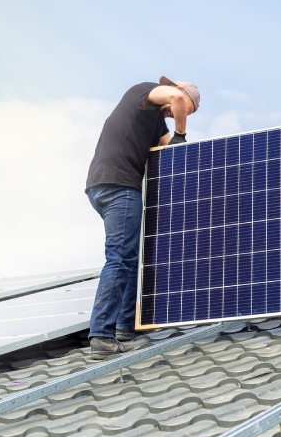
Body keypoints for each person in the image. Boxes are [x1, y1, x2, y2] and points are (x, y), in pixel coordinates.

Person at [85, 76, 200, 359]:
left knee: (131, 257)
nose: (176, 116)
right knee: (120, 257)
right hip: (120, 187)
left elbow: (167, 151)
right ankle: (101, 334)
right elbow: (177, 102)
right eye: (180, 112)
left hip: (103, 187)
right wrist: (181, 134)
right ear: (178, 93)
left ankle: (125, 326)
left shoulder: (154, 121)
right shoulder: (146, 91)